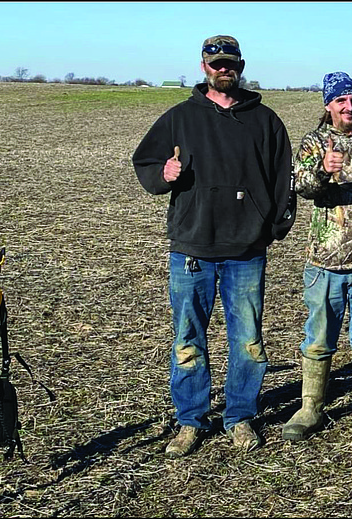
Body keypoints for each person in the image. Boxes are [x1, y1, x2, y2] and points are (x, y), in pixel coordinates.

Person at [132, 35, 296, 457]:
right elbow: (145, 162)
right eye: (216, 63)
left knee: (249, 340)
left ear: (241, 65)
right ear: (204, 66)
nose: (224, 69)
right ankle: (189, 419)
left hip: (246, 251)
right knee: (188, 338)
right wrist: (162, 174)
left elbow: (283, 179)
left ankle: (240, 416)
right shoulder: (180, 118)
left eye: (230, 63)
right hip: (192, 248)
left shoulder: (265, 120)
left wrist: (273, 226)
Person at [281, 71, 352, 443]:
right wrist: (323, 171)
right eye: (341, 101)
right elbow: (300, 187)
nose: (350, 107)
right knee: (317, 340)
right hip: (324, 261)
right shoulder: (315, 141)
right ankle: (310, 407)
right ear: (328, 105)